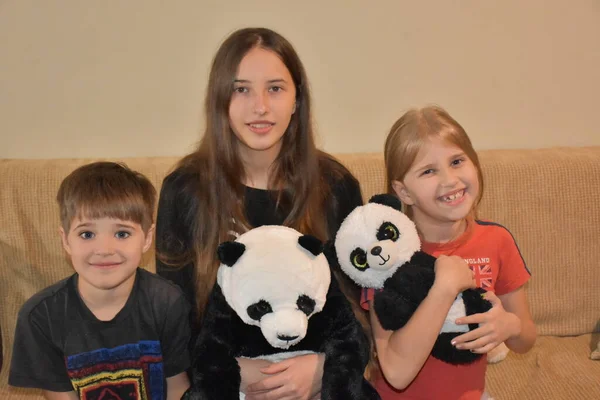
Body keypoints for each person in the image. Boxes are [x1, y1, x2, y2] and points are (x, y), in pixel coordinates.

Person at [155, 27, 367, 400]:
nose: (260, 107)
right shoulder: (185, 190)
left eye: (275, 88)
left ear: (297, 99)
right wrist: (234, 373)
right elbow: (174, 322)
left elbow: (358, 312)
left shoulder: (336, 187)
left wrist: (321, 368)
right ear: (220, 99)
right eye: (241, 89)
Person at [361, 106, 536, 399]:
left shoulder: (497, 240)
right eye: (429, 171)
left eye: (457, 161)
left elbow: (526, 339)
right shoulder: (383, 255)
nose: (450, 180)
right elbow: (396, 372)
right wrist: (445, 287)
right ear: (403, 192)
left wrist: (511, 326)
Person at [9, 162, 191, 400]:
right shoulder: (41, 316)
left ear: (147, 239)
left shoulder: (167, 302)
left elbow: (177, 388)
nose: (104, 249)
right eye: (87, 234)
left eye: (122, 233)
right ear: (65, 240)